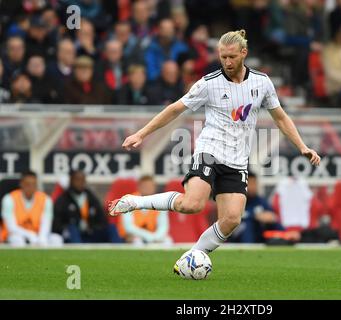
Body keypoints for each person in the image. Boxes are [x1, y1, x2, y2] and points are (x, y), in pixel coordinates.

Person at [108, 30, 320, 261]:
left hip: (237, 160)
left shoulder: (262, 82)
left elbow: (280, 117)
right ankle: (135, 202)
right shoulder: (209, 84)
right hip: (210, 152)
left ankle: (193, 256)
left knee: (231, 220)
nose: (227, 62)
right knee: (191, 204)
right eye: (223, 57)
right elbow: (175, 109)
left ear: (244, 53)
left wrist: (302, 146)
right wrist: (142, 133)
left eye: (232, 57)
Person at [1, 171, 63, 247]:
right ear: (21, 184)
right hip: (16, 235)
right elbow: (11, 227)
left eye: (33, 184)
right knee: (17, 240)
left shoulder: (45, 199)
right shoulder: (9, 199)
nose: (30, 187)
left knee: (57, 239)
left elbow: (46, 223)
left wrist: (41, 239)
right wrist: (30, 235)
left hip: (37, 235)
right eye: (27, 184)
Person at [53, 170, 111, 243]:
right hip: (71, 235)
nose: (80, 183)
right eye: (77, 180)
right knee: (72, 229)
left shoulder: (90, 197)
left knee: (111, 228)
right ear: (71, 181)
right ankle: (78, 251)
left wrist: (93, 228)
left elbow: (102, 219)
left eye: (82, 180)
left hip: (90, 233)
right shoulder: (63, 199)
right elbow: (56, 224)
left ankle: (119, 251)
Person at [229, 171, 285, 243]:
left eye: (254, 183)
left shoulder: (261, 201)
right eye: (249, 183)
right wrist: (255, 216)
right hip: (237, 236)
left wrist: (272, 218)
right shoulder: (236, 201)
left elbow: (273, 218)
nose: (252, 187)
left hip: (259, 236)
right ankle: (249, 249)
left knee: (272, 223)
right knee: (248, 225)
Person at [117, 175, 170, 245]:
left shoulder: (161, 202)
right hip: (133, 236)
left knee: (167, 240)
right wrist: (147, 236)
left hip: (153, 236)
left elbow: (163, 226)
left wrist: (156, 237)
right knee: (136, 240)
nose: (148, 189)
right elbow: (129, 227)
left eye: (150, 186)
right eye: (145, 186)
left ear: (154, 187)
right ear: (139, 187)